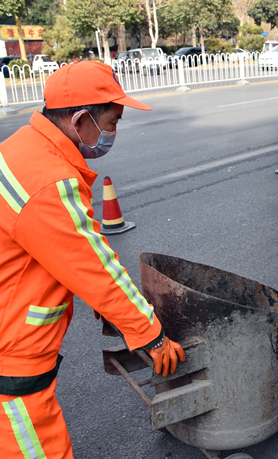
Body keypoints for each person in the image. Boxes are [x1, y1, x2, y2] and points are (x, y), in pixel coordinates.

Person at [0, 61, 186, 458]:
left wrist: (108, 307)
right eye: (113, 122)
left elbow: (60, 249)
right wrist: (149, 334)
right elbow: (92, 266)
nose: (114, 132)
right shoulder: (50, 181)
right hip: (10, 350)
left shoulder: (23, 147)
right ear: (81, 120)